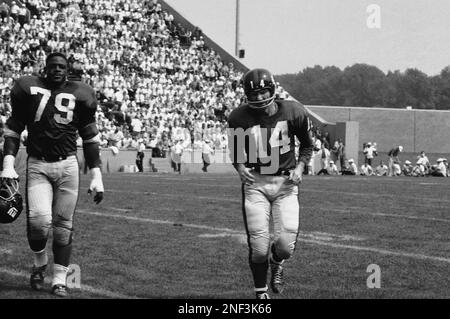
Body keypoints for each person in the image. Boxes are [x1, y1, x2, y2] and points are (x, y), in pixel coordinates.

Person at [0, 52, 104, 297]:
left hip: (68, 166)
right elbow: (14, 128)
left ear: (67, 70)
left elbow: (90, 137)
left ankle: (60, 279)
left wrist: (97, 175)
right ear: (45, 68)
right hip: (38, 165)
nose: (57, 70)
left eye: (62, 66)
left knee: (63, 226)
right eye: (53, 66)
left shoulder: (81, 94)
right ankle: (39, 263)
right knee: (38, 222)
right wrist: (7, 163)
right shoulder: (28, 88)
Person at [227, 68, 313, 299]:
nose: (259, 98)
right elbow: (236, 152)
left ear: (272, 89)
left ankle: (277, 263)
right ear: (246, 95)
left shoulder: (294, 111)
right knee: (258, 247)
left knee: (285, 246)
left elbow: (306, 146)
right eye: (253, 95)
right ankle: (260, 292)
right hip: (256, 184)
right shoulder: (238, 117)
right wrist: (241, 167)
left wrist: (300, 166)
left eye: (263, 92)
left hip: (286, 184)